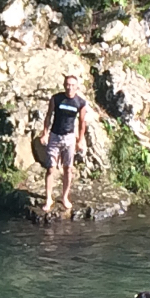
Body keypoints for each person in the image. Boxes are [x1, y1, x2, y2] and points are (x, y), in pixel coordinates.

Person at [39, 74, 88, 213]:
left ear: (77, 87)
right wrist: (45, 133)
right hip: (54, 136)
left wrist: (81, 139)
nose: (69, 87)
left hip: (69, 138)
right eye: (67, 84)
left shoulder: (80, 102)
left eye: (72, 85)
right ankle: (48, 198)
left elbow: (82, 122)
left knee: (68, 168)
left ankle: (65, 197)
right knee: (50, 168)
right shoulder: (56, 98)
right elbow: (48, 116)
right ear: (64, 85)